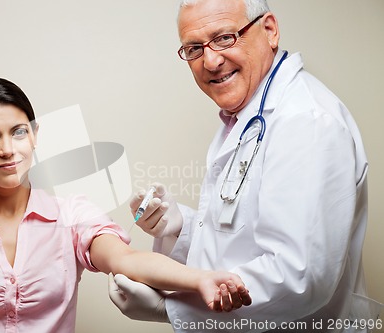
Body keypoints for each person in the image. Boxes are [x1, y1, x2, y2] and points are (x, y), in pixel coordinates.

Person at [109, 0, 376, 331]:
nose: (210, 60)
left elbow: (299, 276)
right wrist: (178, 228)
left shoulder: (305, 122)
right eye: (194, 48)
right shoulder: (247, 115)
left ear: (269, 30)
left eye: (224, 37)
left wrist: (171, 308)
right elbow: (241, 238)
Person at [0, 78, 252, 333]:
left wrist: (201, 279)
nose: (8, 149)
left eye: (19, 132)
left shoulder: (72, 215)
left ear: (35, 135)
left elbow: (125, 259)